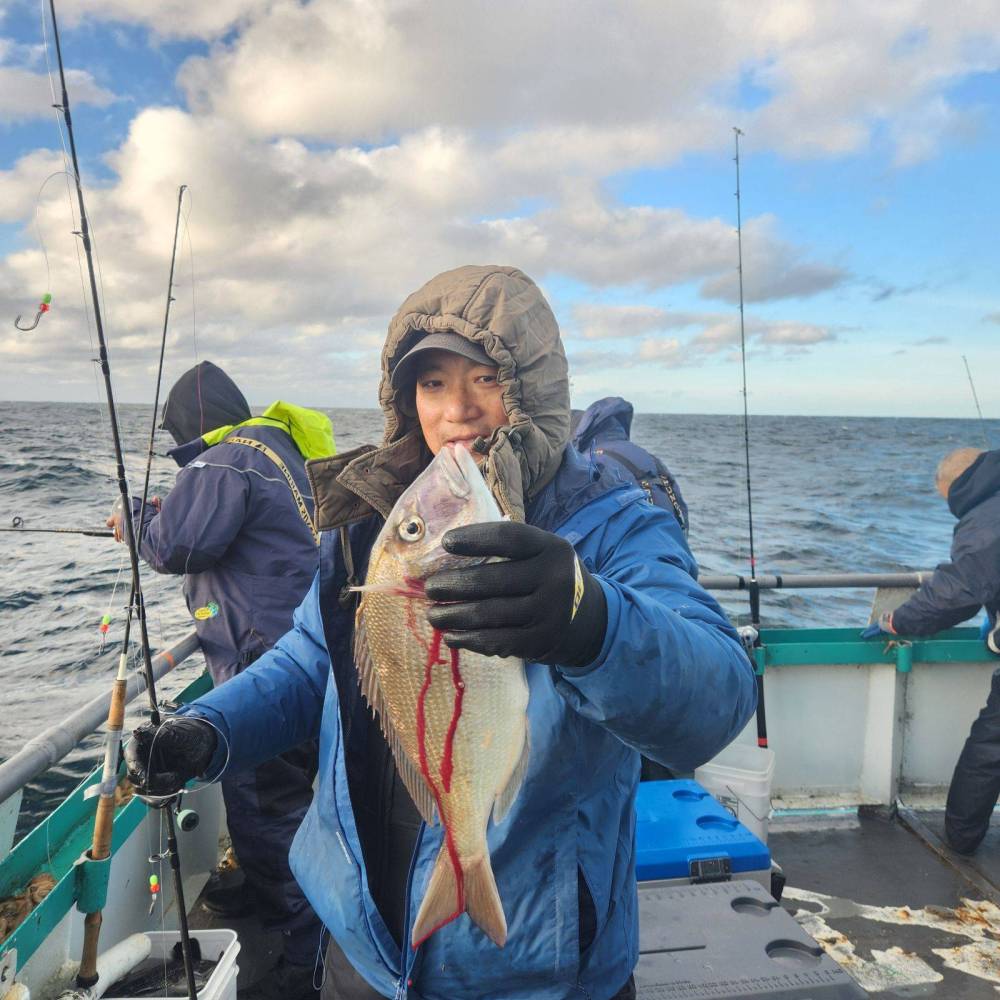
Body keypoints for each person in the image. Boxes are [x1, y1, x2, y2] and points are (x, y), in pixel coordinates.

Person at [125, 266, 757, 1000]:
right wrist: (209, 729)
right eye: (431, 384)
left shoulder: (615, 526)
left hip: (535, 968)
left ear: (535, 390)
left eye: (486, 379)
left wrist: (589, 622)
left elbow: (720, 694)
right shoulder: (378, 521)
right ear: (404, 398)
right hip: (360, 941)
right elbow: (311, 660)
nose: (456, 409)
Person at [110, 360, 334, 998]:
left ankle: (306, 959)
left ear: (187, 423)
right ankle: (268, 893)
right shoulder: (277, 447)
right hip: (302, 650)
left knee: (267, 806)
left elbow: (176, 548)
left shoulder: (223, 461)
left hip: (261, 660)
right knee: (276, 800)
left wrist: (133, 514)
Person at [862, 446, 1000, 855]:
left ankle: (959, 842)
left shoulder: (987, 515)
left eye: (949, 501)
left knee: (990, 748)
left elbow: (959, 589)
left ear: (959, 486)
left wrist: (898, 621)